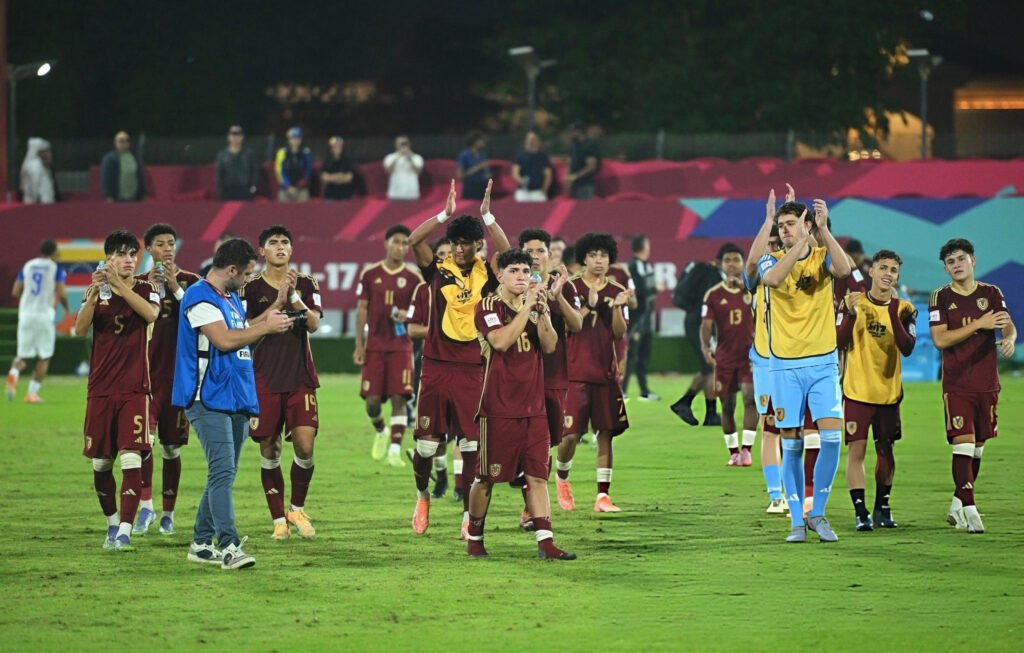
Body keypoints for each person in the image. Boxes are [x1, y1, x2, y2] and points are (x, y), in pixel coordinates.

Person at [173, 237, 294, 568]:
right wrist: (265, 327)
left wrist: (276, 308)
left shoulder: (230, 298)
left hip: (235, 395)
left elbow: (246, 328)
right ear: (230, 269)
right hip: (206, 397)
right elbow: (225, 340)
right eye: (245, 274)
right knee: (222, 470)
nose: (247, 280)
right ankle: (228, 546)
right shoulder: (199, 296)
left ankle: (200, 543)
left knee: (223, 473)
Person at [406, 179, 510, 536]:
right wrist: (443, 214)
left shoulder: (486, 274)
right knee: (425, 445)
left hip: (473, 367)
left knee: (470, 446)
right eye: (456, 243)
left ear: (478, 244)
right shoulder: (437, 269)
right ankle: (422, 496)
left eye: (467, 243)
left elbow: (510, 257)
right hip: (435, 366)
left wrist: (489, 217)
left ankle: (468, 516)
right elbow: (413, 241)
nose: (461, 249)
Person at [466, 248, 576, 560]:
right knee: (486, 477)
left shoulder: (535, 304)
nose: (521, 277)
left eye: (526, 272)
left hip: (534, 408)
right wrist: (527, 309)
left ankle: (546, 542)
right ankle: (474, 537)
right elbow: (500, 342)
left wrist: (541, 313)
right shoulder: (488, 306)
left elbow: (551, 344)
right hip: (497, 408)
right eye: (514, 270)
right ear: (499, 275)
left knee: (537, 476)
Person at [759, 197, 851, 543]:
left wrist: (823, 231)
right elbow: (771, 280)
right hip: (784, 366)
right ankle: (797, 520)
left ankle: (819, 514)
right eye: (781, 226)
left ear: (806, 225)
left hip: (823, 362)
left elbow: (844, 271)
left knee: (831, 439)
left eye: (791, 224)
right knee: (792, 444)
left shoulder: (821, 257)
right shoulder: (773, 259)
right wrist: (799, 242)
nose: (784, 231)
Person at [74, 230, 160, 552]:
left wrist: (120, 285)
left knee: (131, 456)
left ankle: (125, 530)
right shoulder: (96, 290)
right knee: (100, 464)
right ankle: (112, 525)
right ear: (108, 258)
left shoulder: (146, 288)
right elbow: (81, 328)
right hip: (100, 389)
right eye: (121, 254)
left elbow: (150, 314)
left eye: (132, 254)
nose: (128, 260)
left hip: (135, 389)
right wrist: (96, 294)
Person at [240, 225, 323, 540]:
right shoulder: (249, 287)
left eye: (285, 242)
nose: (280, 247)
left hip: (300, 377)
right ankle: (278, 519)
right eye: (273, 243)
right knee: (269, 446)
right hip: (262, 378)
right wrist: (276, 304)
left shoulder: (306, 282)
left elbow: (313, 324)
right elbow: (243, 327)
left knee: (305, 445)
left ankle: (296, 508)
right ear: (262, 251)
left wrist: (295, 299)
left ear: (291, 249)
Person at [929, 238, 1015, 534]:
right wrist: (979, 324)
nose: (956, 265)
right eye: (951, 262)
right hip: (957, 384)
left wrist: (1011, 336)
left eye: (961, 259)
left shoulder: (991, 293)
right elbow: (940, 340)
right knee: (962, 445)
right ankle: (970, 507)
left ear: (972, 261)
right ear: (946, 268)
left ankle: (957, 503)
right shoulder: (939, 297)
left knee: (977, 450)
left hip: (987, 383)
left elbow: (1006, 323)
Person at [836, 250, 917, 531]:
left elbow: (907, 347)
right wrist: (848, 314)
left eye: (893, 270)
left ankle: (882, 507)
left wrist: (893, 313)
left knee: (886, 450)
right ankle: (861, 513)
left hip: (888, 394)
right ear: (871, 271)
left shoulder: (905, 309)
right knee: (855, 452)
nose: (888, 274)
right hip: (857, 392)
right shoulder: (852, 302)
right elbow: (839, 341)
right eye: (883, 267)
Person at [131, 224, 201, 537]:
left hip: (178, 380)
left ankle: (168, 514)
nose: (168, 249)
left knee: (172, 448)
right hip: (144, 379)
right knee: (142, 445)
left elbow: (201, 320)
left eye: (171, 243)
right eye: (160, 244)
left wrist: (175, 288)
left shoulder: (192, 282)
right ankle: (145, 507)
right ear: (148, 249)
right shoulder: (134, 285)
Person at [556, 232, 633, 513]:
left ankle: (603, 495)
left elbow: (619, 333)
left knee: (605, 433)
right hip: (573, 373)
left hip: (604, 373)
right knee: (569, 437)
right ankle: (562, 478)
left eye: (604, 255)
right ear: (583, 258)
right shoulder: (570, 287)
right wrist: (588, 305)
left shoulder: (616, 290)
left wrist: (619, 307)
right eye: (593, 255)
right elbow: (565, 327)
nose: (599, 260)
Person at [518, 228, 582, 526]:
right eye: (528, 251)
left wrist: (558, 299)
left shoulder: (562, 286)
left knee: (549, 442)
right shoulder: (512, 285)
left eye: (540, 251)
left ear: (549, 255)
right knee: (531, 443)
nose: (534, 257)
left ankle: (536, 500)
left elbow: (578, 324)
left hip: (554, 375)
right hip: (519, 376)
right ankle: (532, 509)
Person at [353, 225, 422, 468]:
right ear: (386, 243)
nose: (401, 247)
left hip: (401, 346)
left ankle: (394, 450)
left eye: (405, 244)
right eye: (397, 242)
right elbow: (362, 309)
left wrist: (408, 314)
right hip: (374, 346)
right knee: (371, 401)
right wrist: (359, 344)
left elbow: (423, 309)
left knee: (399, 397)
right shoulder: (370, 273)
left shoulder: (414, 277)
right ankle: (381, 430)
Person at [743, 197, 786, 512]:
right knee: (770, 429)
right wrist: (769, 219)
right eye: (767, 242)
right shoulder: (757, 282)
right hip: (766, 363)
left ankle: (800, 493)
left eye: (777, 241)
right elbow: (750, 264)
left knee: (797, 432)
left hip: (799, 360)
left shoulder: (801, 273)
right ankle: (775, 495)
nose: (771, 247)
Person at [700, 243, 757, 467]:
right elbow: (705, 325)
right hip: (724, 357)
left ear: (743, 264)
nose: (732, 264)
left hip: (751, 356)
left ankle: (747, 450)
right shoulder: (713, 295)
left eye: (736, 260)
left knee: (750, 399)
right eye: (728, 260)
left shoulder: (752, 290)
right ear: (720, 264)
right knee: (727, 405)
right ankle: (733, 451)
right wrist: (706, 347)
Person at [6, 239, 69, 403]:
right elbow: (61, 293)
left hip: (26, 315)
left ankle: (13, 376)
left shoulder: (28, 266)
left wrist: (28, 302)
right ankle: (31, 394)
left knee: (23, 356)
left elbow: (15, 291)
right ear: (54, 252)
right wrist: (67, 308)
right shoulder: (56, 268)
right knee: (44, 357)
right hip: (44, 316)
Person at [670, 254, 723, 426]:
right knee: (709, 367)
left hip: (694, 320)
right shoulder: (715, 277)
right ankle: (707, 412)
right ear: (721, 262)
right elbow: (713, 305)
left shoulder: (706, 273)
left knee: (707, 367)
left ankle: (688, 404)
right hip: (701, 323)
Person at [625, 235, 659, 400]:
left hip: (646, 319)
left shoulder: (647, 266)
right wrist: (654, 289)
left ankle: (644, 391)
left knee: (644, 355)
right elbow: (642, 291)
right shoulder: (634, 266)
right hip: (636, 319)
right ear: (644, 247)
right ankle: (622, 391)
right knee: (630, 355)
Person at [215, 125, 257, 200]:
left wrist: (253, 187)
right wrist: (220, 190)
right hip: (228, 191)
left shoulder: (248, 154)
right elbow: (219, 173)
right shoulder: (222, 155)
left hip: (245, 190)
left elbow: (254, 171)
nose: (235, 138)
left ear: (242, 137)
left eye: (238, 135)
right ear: (228, 137)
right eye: (233, 135)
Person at [101, 131, 145, 202]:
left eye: (126, 141)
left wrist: (142, 194)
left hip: (133, 198)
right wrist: (108, 195)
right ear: (115, 143)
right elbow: (105, 178)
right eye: (121, 141)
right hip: (117, 199)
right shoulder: (110, 159)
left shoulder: (134, 158)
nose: (124, 143)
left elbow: (139, 176)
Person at [274, 127, 313, 202]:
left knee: (304, 202)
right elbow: (279, 172)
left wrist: (300, 185)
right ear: (289, 139)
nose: (296, 140)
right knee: (282, 203)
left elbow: (308, 171)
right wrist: (287, 186)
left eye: (298, 138)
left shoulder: (306, 152)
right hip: (285, 189)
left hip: (301, 189)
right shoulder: (282, 153)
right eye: (293, 138)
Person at [512, 132, 552, 202]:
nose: (530, 142)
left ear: (537, 141)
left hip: (538, 191)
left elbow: (548, 174)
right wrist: (521, 181)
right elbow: (515, 173)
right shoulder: (520, 156)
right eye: (529, 140)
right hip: (523, 192)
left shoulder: (543, 157)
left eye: (533, 140)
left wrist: (545, 188)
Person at [565, 122, 601, 199]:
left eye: (572, 131)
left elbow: (591, 166)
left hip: (585, 185)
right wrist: (568, 178)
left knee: (585, 209)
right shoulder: (574, 145)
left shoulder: (589, 145)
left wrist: (575, 176)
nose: (570, 134)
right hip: (574, 185)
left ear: (578, 131)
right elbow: (570, 162)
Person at [384, 136, 424, 200]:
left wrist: (409, 157)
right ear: (396, 145)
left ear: (409, 144)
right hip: (395, 194)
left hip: (412, 194)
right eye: (400, 144)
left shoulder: (416, 157)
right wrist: (398, 156)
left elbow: (419, 171)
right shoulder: (390, 157)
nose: (403, 146)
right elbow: (388, 171)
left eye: (405, 143)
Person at [456, 132, 491, 200]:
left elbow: (487, 171)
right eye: (481, 140)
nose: (484, 143)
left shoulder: (483, 155)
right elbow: (460, 175)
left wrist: (488, 174)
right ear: (475, 142)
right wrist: (478, 168)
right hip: (470, 189)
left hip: (483, 189)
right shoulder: (464, 155)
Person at [20, 137, 55, 203]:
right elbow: (34, 187)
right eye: (45, 151)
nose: (48, 154)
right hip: (38, 205)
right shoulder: (35, 166)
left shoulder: (42, 166)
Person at [322, 136, 355, 200]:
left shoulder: (347, 160)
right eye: (335, 146)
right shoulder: (327, 161)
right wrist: (339, 176)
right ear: (331, 148)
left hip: (344, 194)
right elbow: (324, 178)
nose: (337, 148)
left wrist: (331, 177)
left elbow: (349, 178)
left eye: (339, 146)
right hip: (330, 193)